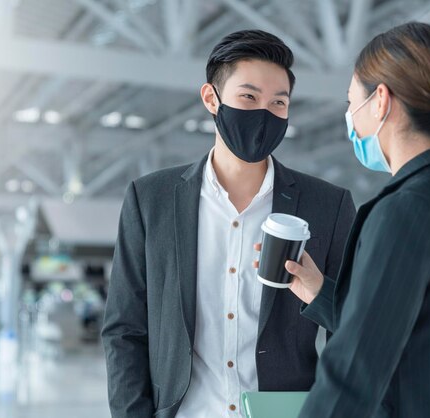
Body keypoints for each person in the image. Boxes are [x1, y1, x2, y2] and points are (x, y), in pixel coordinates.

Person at [101, 30, 356, 418]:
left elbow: (356, 330)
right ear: (211, 98)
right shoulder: (151, 199)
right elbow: (125, 329)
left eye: (279, 103)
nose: (264, 113)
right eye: (248, 97)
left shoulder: (328, 206)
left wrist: (319, 293)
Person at [262, 22, 430, 417]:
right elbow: (406, 332)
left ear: (380, 101)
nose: (348, 118)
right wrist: (321, 293)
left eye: (350, 103)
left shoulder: (403, 212)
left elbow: (352, 377)